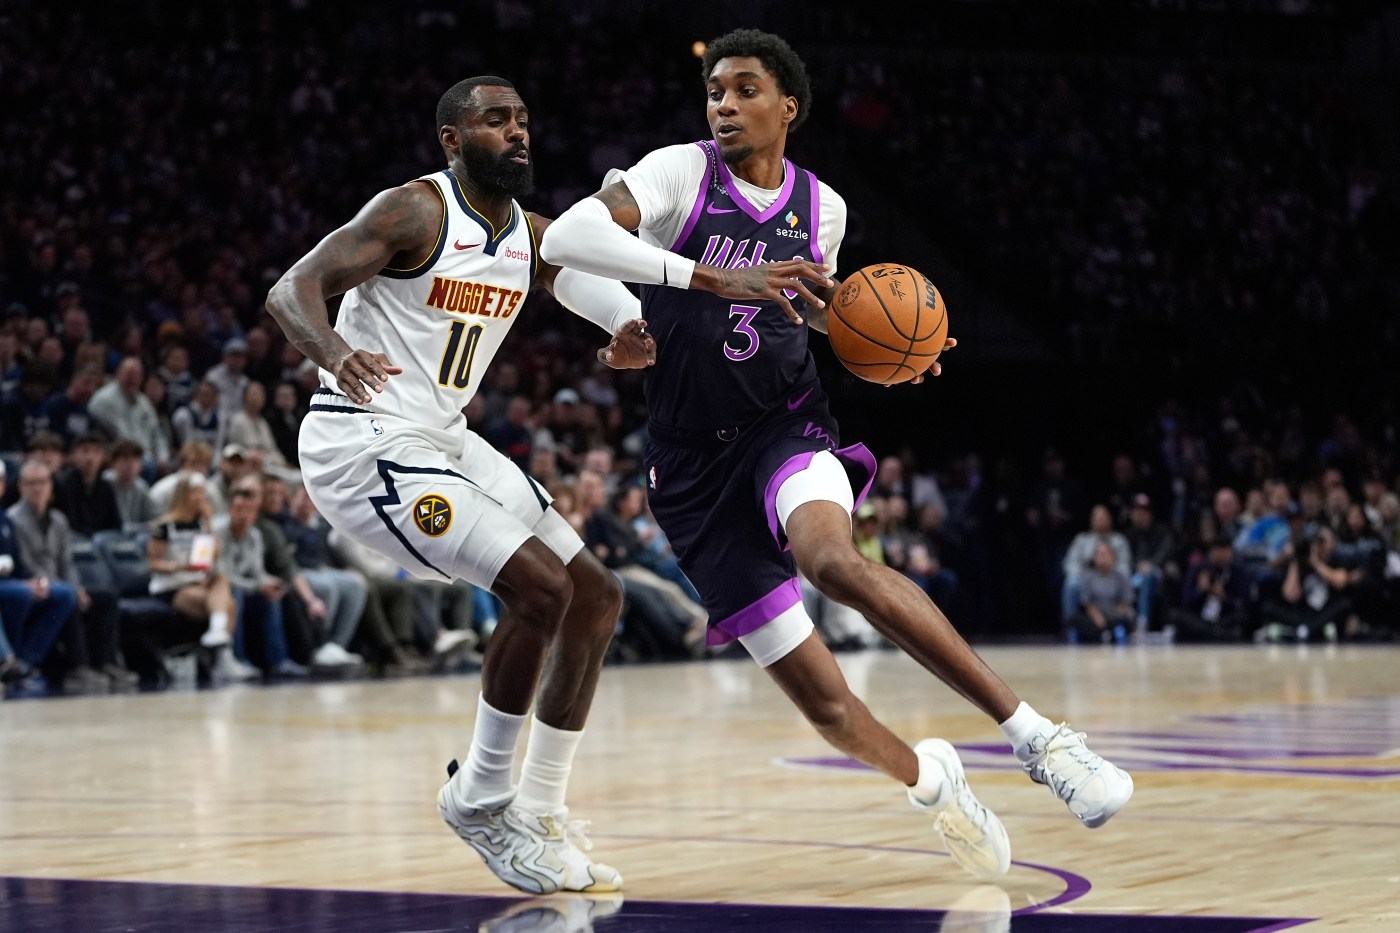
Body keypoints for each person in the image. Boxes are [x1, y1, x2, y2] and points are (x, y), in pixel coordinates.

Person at [539, 28, 1132, 879]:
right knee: (827, 705)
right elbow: (564, 240)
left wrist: (884, 345)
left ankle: (1041, 739)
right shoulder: (677, 173)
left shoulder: (824, 208)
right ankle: (934, 782)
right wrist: (703, 283)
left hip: (784, 423)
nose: (724, 104)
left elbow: (815, 311)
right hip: (691, 469)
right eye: (714, 91)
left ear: (788, 105)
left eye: (745, 89)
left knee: (832, 561)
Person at [265, 75, 660, 895]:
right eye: (494, 120)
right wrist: (335, 353)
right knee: (540, 589)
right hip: (361, 439)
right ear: (452, 138)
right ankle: (479, 798)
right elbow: (290, 289)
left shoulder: (525, 232)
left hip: (442, 437)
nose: (517, 132)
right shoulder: (413, 212)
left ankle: (540, 809)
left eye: (522, 118)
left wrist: (623, 323)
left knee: (596, 595)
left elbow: (568, 269)